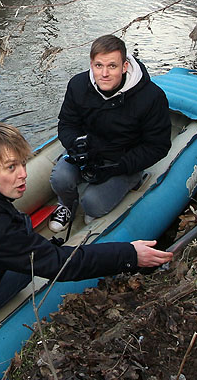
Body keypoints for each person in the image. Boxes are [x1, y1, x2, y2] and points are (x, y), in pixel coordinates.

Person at [0, 122, 172, 351]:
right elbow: (60, 264)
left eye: (23, 163)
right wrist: (129, 254)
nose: (24, 174)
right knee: (23, 273)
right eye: (11, 167)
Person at [47, 35, 172, 234]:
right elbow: (67, 123)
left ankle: (108, 199)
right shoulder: (78, 85)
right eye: (99, 66)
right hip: (90, 152)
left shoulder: (151, 97)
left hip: (122, 160)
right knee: (59, 178)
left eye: (112, 66)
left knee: (93, 203)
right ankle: (66, 205)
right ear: (91, 64)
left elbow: (158, 145)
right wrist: (75, 144)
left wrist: (121, 166)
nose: (104, 74)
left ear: (124, 66)